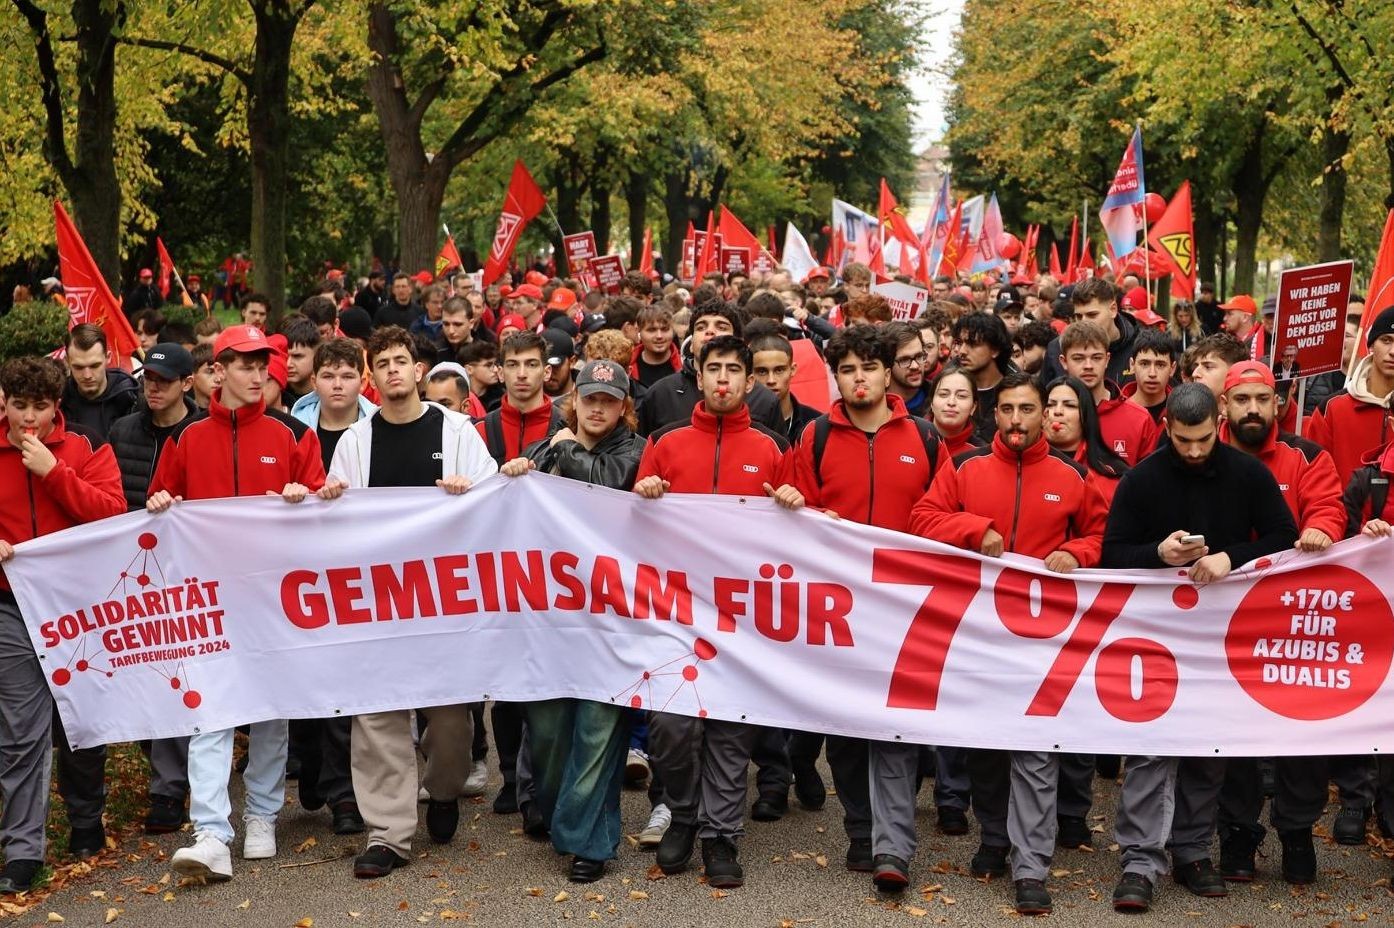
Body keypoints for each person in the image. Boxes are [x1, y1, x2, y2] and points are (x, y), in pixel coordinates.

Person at [909, 372, 1109, 915]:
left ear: (1045, 414)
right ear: (992, 414)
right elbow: (923, 518)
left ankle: (1030, 865)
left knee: (1037, 751)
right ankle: (994, 836)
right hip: (976, 634)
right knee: (986, 748)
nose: (1017, 420)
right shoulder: (965, 466)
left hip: (1045, 640)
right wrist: (976, 530)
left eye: (1027, 409)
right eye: (1007, 410)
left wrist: (1078, 554)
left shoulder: (1072, 475)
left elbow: (1099, 535)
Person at [1101, 383, 1297, 912]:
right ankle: (1141, 859)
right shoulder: (1141, 479)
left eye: (1203, 439)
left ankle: (1192, 851)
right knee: (1150, 750)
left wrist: (1231, 558)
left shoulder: (1248, 473)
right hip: (1154, 633)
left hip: (1220, 632)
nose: (1193, 450)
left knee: (1208, 749)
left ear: (1220, 426)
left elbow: (1284, 535)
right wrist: (1157, 554)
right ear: (1167, 427)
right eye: (1184, 440)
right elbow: (1112, 554)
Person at [314, 326, 497, 879]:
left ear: (419, 370)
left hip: (443, 599)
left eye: (402, 361)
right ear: (375, 376)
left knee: (449, 723)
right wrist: (328, 502)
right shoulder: (355, 443)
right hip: (377, 600)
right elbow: (335, 524)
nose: (394, 371)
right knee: (377, 717)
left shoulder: (459, 430)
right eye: (384, 363)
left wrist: (471, 492)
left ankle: (442, 790)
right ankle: (388, 833)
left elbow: (496, 503)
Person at [147, 324, 327, 883]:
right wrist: (159, 501)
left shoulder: (294, 435)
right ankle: (211, 832)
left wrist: (307, 500)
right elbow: (159, 511)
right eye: (245, 364)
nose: (258, 373)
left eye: (263, 363)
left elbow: (328, 517)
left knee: (272, 713)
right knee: (210, 715)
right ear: (217, 371)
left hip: (275, 600)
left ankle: (264, 817)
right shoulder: (184, 440)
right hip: (208, 602)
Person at [635, 334, 804, 890]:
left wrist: (791, 502)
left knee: (732, 726)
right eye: (715, 369)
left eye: (736, 370)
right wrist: (647, 491)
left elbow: (798, 535)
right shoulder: (664, 443)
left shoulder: (771, 448)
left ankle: (720, 835)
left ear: (750, 381)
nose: (725, 379)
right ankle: (682, 812)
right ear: (699, 378)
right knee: (671, 723)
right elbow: (629, 526)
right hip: (676, 611)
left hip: (742, 615)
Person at [788, 326, 948, 889]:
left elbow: (942, 512)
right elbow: (791, 510)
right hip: (839, 609)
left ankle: (892, 844)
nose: (859, 378)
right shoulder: (816, 438)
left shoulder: (926, 438)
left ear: (889, 373)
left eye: (869, 367)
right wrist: (800, 507)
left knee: (897, 727)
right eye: (848, 369)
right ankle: (862, 828)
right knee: (847, 728)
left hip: (906, 608)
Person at [496, 359, 646, 882]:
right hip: (550, 619)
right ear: (574, 400)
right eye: (589, 398)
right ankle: (573, 820)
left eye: (608, 399)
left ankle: (593, 844)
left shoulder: (634, 451)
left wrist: (564, 449)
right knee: (550, 737)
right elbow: (507, 503)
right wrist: (512, 473)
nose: (597, 407)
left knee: (599, 735)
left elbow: (602, 483)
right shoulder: (546, 446)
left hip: (611, 622)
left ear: (623, 406)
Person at [1211, 361, 1344, 886]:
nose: (1251, 410)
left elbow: (1330, 508)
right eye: (1240, 399)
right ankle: (1239, 832)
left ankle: (1296, 830)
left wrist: (1319, 529)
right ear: (1224, 405)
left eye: (1261, 400)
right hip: (1222, 623)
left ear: (1279, 405)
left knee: (1300, 732)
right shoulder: (1201, 455)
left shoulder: (1307, 457)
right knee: (1233, 732)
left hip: (1292, 625)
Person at [0, 357, 125, 894]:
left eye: (41, 408)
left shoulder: (86, 450)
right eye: (19, 405)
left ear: (58, 408)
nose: (30, 419)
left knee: (80, 719)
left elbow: (113, 513)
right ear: (3, 402)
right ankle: (23, 850)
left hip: (75, 607)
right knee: (21, 731)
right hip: (10, 606)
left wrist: (53, 474)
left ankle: (84, 821)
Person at [107, 343, 203, 833]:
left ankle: (182, 783)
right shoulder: (123, 430)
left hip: (191, 575)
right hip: (136, 572)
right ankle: (168, 779)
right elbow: (112, 500)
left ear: (188, 383)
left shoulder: (203, 434)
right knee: (149, 676)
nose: (153, 386)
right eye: (149, 378)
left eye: (165, 379)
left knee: (185, 675)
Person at [635, 301, 785, 436]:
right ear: (691, 344)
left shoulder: (764, 400)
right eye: (701, 327)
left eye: (721, 326)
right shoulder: (660, 394)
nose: (710, 331)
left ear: (739, 342)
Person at [1309, 306, 1394, 488]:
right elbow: (1316, 481)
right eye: (1386, 340)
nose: (1393, 351)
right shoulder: (1332, 408)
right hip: (1342, 515)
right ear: (1371, 345)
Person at [1056, 321, 1158, 464]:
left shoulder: (1139, 420)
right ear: (1064, 361)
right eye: (1078, 358)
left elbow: (1147, 482)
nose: (1088, 366)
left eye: (1096, 357)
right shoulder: (1050, 416)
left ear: (1107, 359)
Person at [1043, 376, 1130, 504]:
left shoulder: (1113, 472)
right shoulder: (1023, 464)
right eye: (1050, 405)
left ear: (1086, 415)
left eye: (1069, 405)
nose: (1057, 411)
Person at [1040, 278, 1140, 386]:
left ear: (1113, 310)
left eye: (1092, 315)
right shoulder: (1057, 349)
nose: (1084, 322)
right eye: (1078, 316)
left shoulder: (1140, 347)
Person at [60, 324, 139, 438]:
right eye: (79, 367)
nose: (87, 375)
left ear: (108, 358)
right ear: (67, 362)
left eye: (94, 366)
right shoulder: (58, 402)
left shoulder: (131, 399)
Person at [749, 325, 820, 443]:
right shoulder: (740, 424)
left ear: (792, 370)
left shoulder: (815, 424)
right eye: (762, 371)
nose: (771, 380)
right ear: (749, 376)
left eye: (779, 370)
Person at [950, 312, 1013, 444]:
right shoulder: (947, 385)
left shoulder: (1015, 393)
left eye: (972, 344)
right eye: (960, 343)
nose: (962, 351)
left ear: (995, 350)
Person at [1123, 328, 1177, 423]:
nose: (1152, 373)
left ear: (1172, 369)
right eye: (1144, 364)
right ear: (1132, 365)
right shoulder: (1116, 413)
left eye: (1160, 365)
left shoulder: (1182, 412)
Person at [926, 366, 981, 457]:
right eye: (943, 394)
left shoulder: (980, 455)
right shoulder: (912, 438)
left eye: (961, 396)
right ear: (932, 402)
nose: (951, 402)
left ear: (973, 407)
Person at [882, 321, 932, 415]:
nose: (915, 366)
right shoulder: (874, 408)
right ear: (887, 363)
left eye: (919, 356)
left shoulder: (938, 401)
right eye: (904, 360)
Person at [630, 303, 682, 389]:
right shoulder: (627, 369)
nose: (659, 336)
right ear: (639, 331)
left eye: (664, 329)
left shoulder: (685, 367)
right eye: (651, 330)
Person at [281, 317, 321, 409]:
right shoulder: (274, 396)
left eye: (297, 356)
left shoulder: (327, 396)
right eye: (285, 356)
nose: (288, 364)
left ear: (316, 355)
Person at [460, 341, 505, 412]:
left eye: (495, 364)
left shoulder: (503, 398)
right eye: (488, 365)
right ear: (469, 369)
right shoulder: (458, 397)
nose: (496, 370)